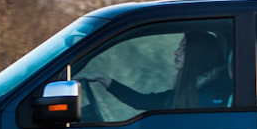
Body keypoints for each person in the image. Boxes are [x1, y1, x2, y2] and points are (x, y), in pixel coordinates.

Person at [79, 29, 232, 115]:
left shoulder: (206, 96)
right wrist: (104, 79)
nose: (176, 53)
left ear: (197, 55)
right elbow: (142, 101)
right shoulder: (192, 90)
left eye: (183, 49)